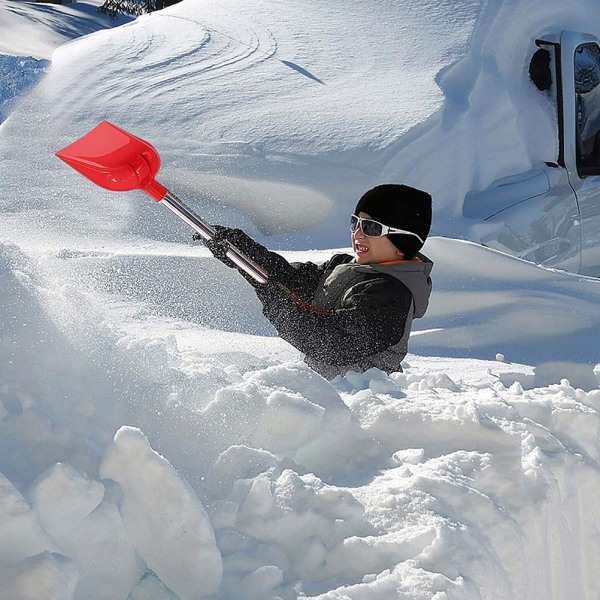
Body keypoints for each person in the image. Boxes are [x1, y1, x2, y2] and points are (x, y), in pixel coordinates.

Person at [197, 184, 433, 379]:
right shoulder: (345, 267)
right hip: (326, 397)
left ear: (404, 241)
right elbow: (289, 278)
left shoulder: (391, 295)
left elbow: (331, 344)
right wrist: (242, 251)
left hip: (358, 406)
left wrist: (274, 299)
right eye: (355, 223)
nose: (358, 234)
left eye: (371, 228)